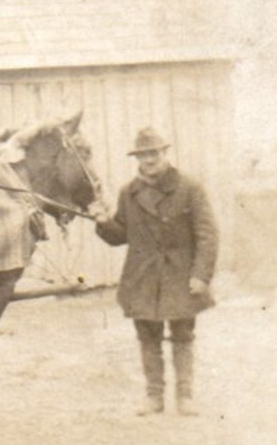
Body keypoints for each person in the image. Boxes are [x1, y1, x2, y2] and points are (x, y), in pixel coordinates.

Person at [93, 128, 219, 417]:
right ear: (136, 158)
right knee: (147, 336)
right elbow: (120, 235)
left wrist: (201, 275)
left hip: (179, 274)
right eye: (142, 155)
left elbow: (208, 235)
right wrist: (102, 221)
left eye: (154, 153)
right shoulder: (129, 192)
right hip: (143, 276)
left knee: (183, 334)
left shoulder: (189, 187)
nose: (149, 160)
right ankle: (154, 397)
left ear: (165, 153)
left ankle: (185, 397)